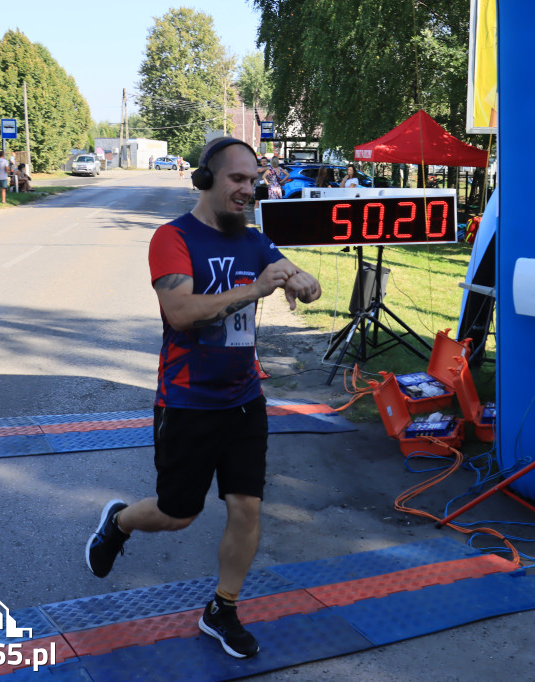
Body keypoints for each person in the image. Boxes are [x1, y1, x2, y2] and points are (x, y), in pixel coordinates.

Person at [85, 136, 321, 660]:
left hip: (244, 399)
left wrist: (303, 283)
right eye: (238, 179)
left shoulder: (255, 240)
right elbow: (182, 313)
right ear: (206, 179)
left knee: (247, 507)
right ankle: (120, 521)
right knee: (177, 514)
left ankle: (223, 608)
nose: (249, 189)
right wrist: (257, 290)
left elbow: (298, 280)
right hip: (187, 401)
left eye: (254, 179)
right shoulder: (172, 238)